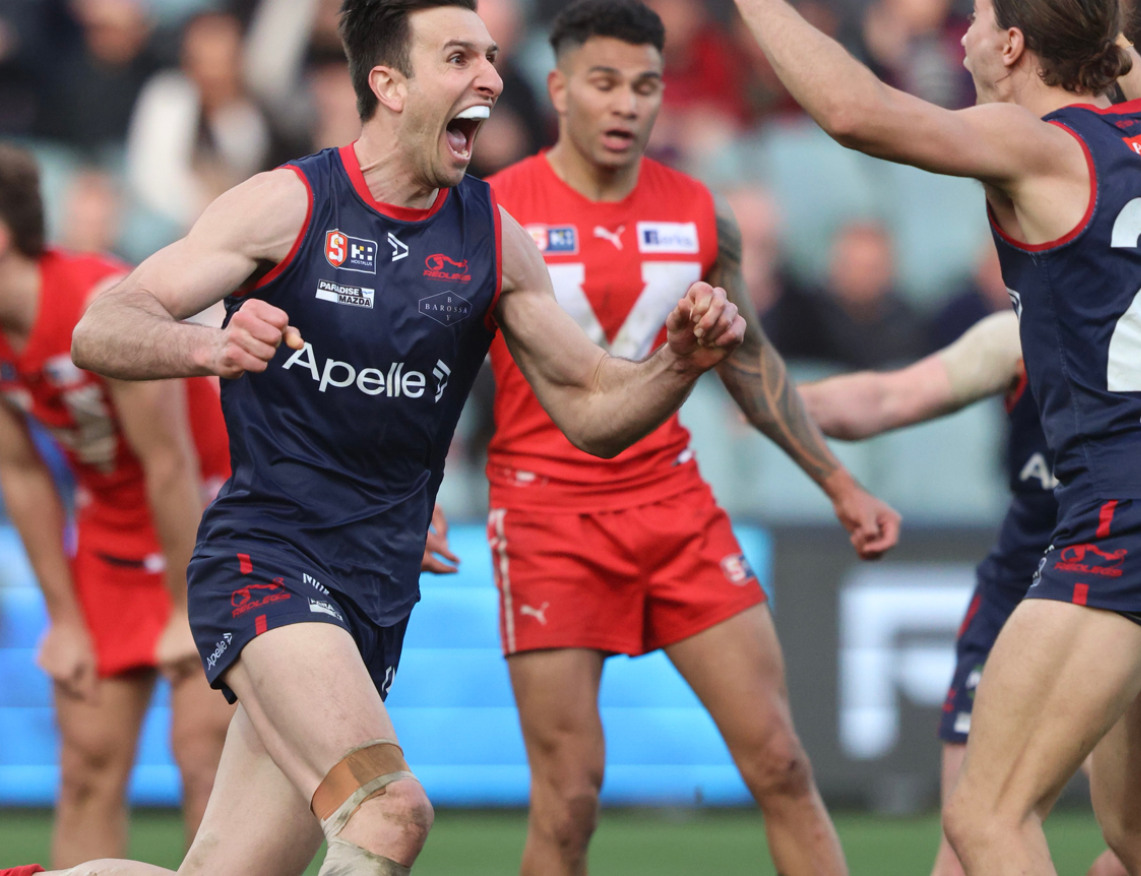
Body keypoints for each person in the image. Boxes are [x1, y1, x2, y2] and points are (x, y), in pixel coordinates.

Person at [1, 1, 747, 874]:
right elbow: (103, 325)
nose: (491, 81)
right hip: (265, 567)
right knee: (390, 813)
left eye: (493, 58)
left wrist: (677, 364)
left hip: (373, 597)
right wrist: (207, 344)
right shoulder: (289, 203)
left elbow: (590, 410)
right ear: (388, 84)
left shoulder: (493, 238)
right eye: (460, 57)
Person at [732, 0, 1141, 873]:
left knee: (985, 818)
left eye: (977, 17)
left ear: (1011, 44)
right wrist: (1110, 47)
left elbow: (854, 112)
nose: (961, 34)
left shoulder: (1041, 144)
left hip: (1133, 507)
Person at [472, 3, 899, 874]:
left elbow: (752, 364)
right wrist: (419, 497)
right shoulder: (490, 212)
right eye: (603, 83)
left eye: (645, 85)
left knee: (781, 761)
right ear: (557, 89)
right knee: (569, 801)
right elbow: (436, 365)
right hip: (547, 516)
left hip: (674, 504)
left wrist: (838, 484)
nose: (626, 104)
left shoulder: (702, 211)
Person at [802, 306, 1141, 875]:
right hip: (1033, 585)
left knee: (1070, 833)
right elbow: (884, 398)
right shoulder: (1023, 332)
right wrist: (772, 401)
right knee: (989, 846)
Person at [0, 144, 233, 866]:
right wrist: (64, 620)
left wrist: (180, 610)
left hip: (212, 525)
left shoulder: (101, 306)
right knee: (87, 766)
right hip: (110, 536)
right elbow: (24, 475)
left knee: (204, 761)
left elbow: (173, 465)